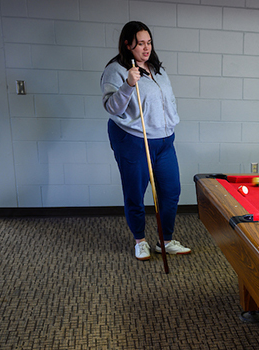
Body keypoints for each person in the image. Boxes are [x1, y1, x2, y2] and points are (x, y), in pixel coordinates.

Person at [101, 21, 191, 260]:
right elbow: (112, 107)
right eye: (140, 43)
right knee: (135, 193)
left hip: (164, 141)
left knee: (171, 191)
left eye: (148, 42)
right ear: (127, 44)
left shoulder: (157, 69)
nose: (146, 48)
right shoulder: (116, 70)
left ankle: (165, 240)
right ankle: (140, 240)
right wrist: (129, 84)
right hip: (133, 140)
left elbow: (166, 102)